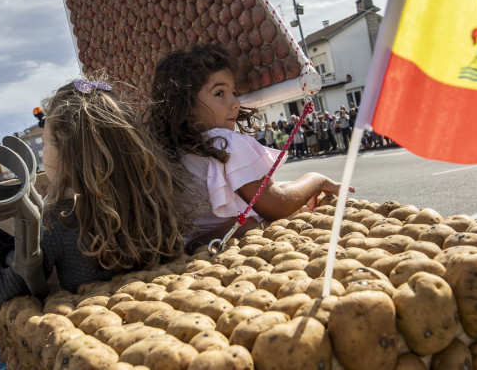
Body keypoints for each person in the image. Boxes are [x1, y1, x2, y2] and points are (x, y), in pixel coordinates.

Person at [0, 78, 196, 311]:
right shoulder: (158, 199)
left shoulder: (60, 220)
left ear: (67, 155)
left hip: (97, 325)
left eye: (45, 143)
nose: (43, 154)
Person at [147, 45, 353, 251]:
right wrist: (317, 180)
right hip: (234, 247)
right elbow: (278, 205)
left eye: (233, 92)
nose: (235, 103)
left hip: (191, 253)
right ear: (186, 103)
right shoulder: (226, 142)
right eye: (220, 93)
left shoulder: (169, 149)